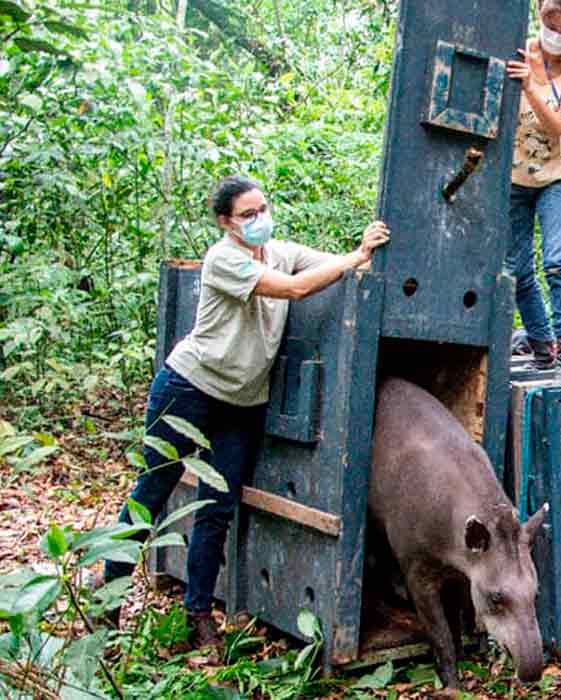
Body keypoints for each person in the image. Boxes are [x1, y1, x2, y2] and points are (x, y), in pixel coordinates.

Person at [99, 175, 390, 648]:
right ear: (225, 222)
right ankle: (107, 601)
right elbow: (295, 289)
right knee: (151, 493)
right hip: (189, 388)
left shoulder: (279, 250)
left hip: (242, 403)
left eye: (263, 209)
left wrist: (363, 250)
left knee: (218, 508)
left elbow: (334, 269)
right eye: (247, 214)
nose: (259, 220)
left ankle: (199, 616)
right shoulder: (223, 259)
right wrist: (354, 258)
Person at [504, 0, 561, 383]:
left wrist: (530, 88)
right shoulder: (519, 52)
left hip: (558, 176)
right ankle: (541, 347)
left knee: (558, 261)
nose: (555, 35)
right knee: (517, 269)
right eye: (550, 25)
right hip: (513, 178)